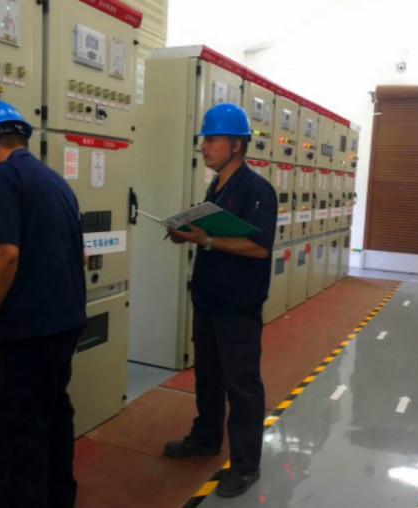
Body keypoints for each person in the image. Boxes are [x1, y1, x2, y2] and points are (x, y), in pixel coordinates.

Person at [0, 100, 87, 508]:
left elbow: (6, 254)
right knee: (54, 419)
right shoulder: (54, 180)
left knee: (18, 434)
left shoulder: (3, 176)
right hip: (67, 322)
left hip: (31, 329)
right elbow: (81, 255)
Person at [163, 103, 277, 497]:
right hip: (209, 300)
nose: (204, 146)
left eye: (211, 139)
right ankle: (206, 437)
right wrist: (187, 233)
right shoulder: (216, 188)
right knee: (208, 376)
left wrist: (207, 239)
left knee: (241, 385)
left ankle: (245, 465)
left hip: (237, 306)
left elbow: (259, 247)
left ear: (236, 145)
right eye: (204, 139)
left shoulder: (257, 191)